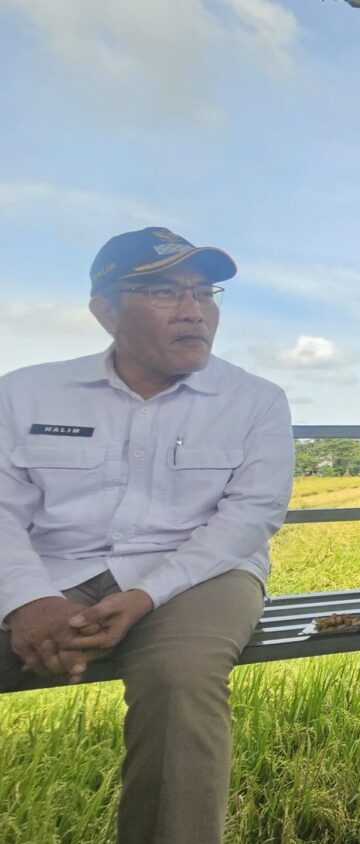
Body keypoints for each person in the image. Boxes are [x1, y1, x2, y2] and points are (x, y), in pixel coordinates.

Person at [0, 227, 293, 844]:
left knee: (181, 677)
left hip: (202, 573)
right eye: (164, 292)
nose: (194, 311)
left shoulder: (255, 400)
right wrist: (26, 600)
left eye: (204, 292)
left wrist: (145, 595)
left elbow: (248, 517)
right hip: (49, 570)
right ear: (104, 311)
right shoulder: (24, 393)